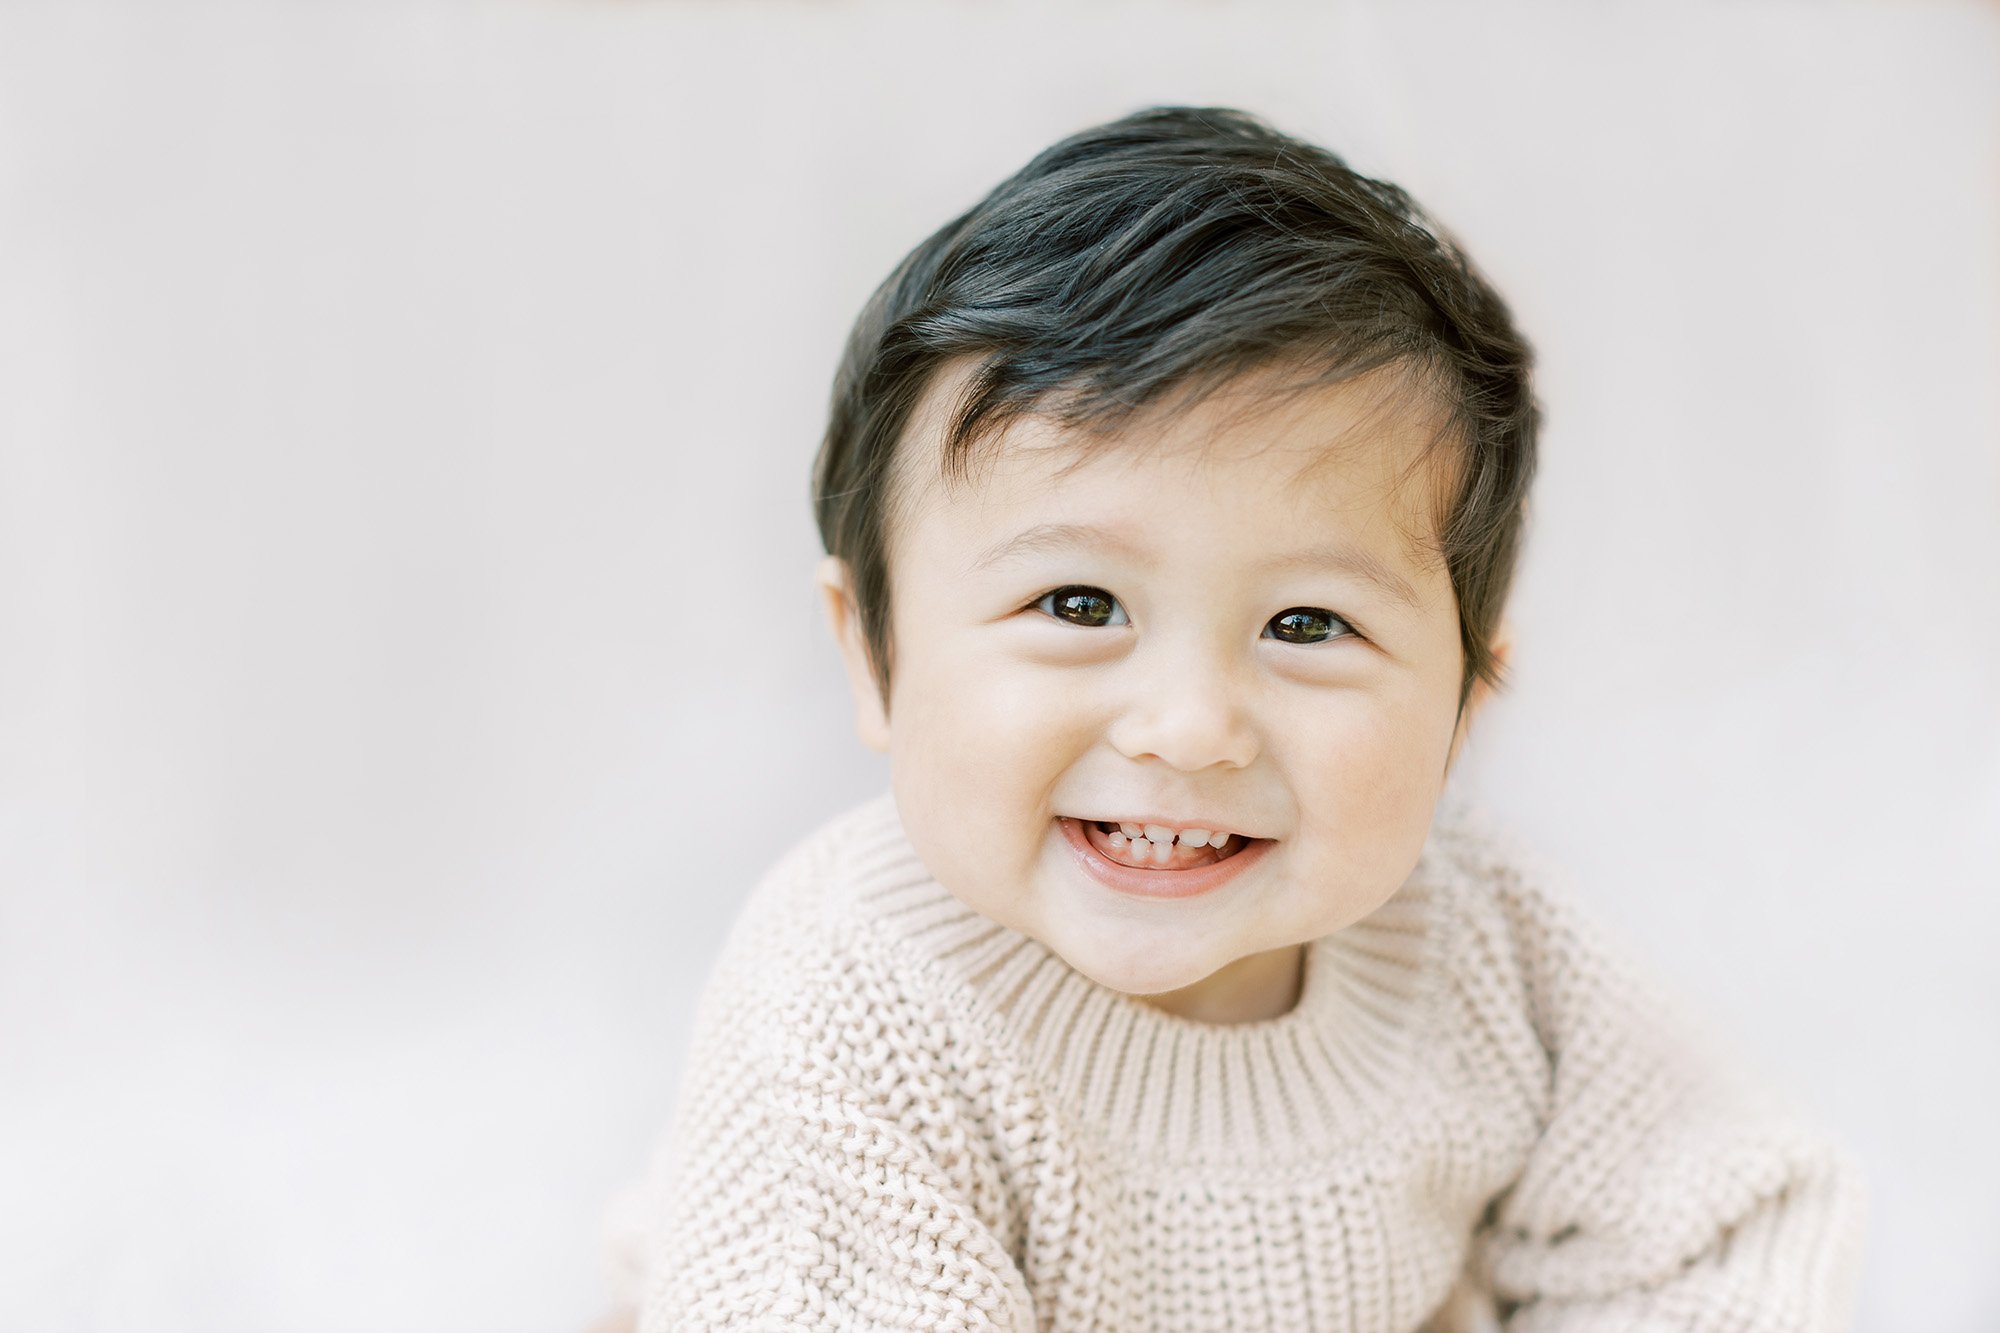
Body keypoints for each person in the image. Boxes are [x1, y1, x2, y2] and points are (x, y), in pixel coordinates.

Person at [593, 106, 1864, 1332]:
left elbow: (1717, 1229)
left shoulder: (1483, 939)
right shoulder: (852, 1004)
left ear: (1464, 702)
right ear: (874, 655)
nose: (1189, 727)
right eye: (1078, 600)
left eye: (1306, 625)